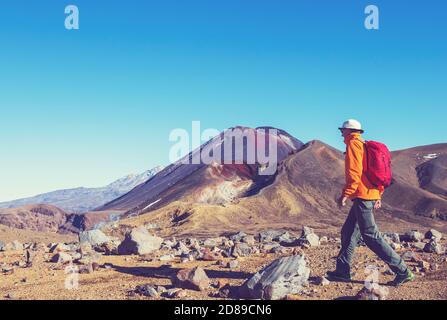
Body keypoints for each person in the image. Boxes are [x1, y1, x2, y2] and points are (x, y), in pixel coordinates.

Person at [326, 119, 414, 286]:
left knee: (371, 236)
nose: (340, 133)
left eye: (342, 130)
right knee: (348, 232)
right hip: (368, 194)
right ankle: (342, 271)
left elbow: (355, 172)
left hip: (363, 196)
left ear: (348, 131)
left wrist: (346, 193)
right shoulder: (364, 144)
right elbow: (375, 173)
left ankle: (402, 271)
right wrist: (378, 194)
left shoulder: (354, 144)